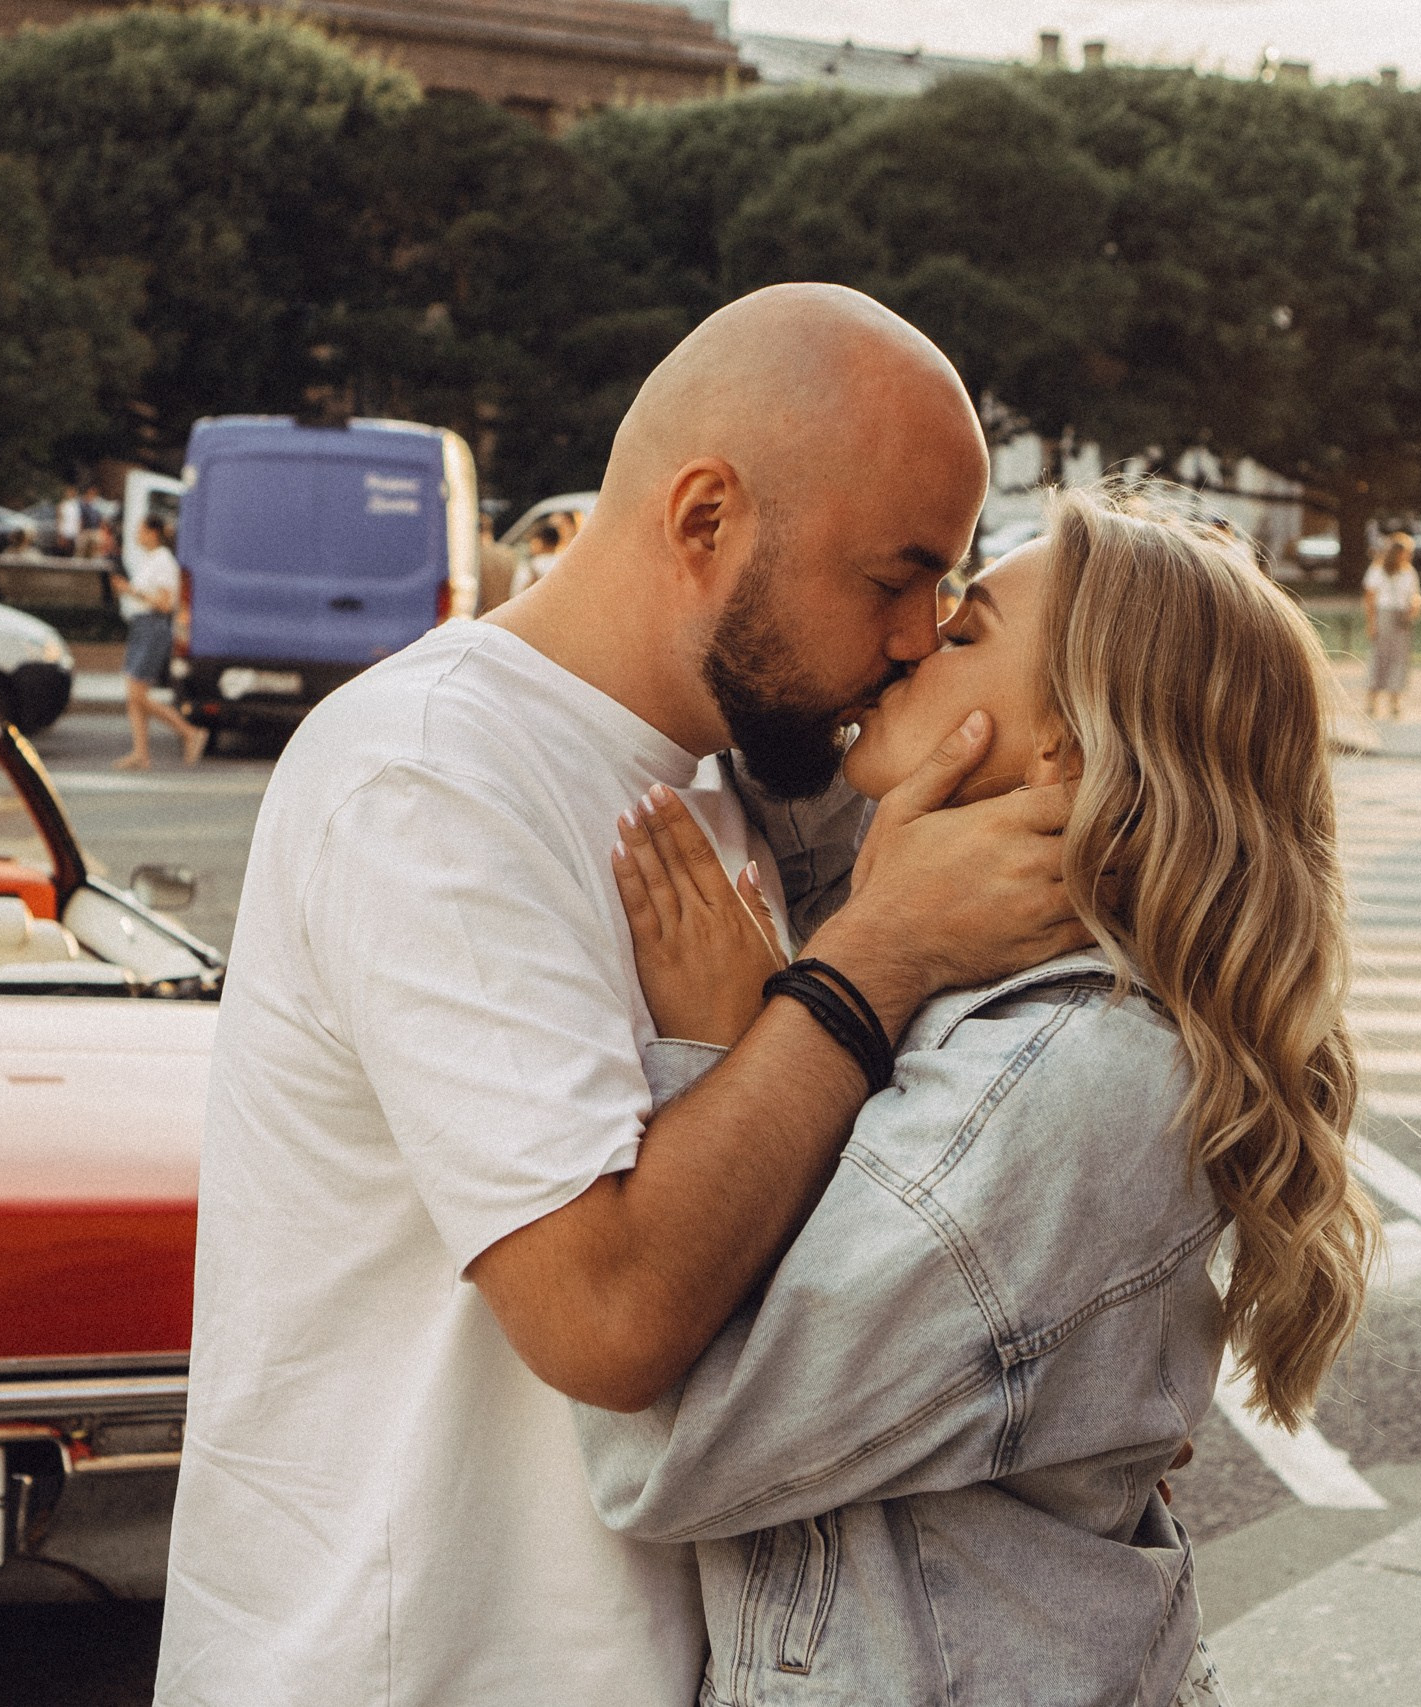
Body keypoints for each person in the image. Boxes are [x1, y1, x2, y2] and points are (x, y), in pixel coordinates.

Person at [157, 284, 1086, 1707]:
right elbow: (605, 1315)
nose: (914, 636)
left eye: (943, 593)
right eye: (893, 575)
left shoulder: (731, 776)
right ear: (705, 517)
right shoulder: (431, 772)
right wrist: (871, 963)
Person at [579, 486, 1375, 1707]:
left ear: (1058, 745)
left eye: (963, 634)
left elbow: (677, 1452)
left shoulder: (1060, 1080)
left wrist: (722, 1047)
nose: (913, 641)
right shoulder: (1009, 1003)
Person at [111, 517, 205, 770]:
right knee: (134, 695)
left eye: (141, 530)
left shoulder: (163, 561)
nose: (136, 534)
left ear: (153, 533)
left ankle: (189, 732)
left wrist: (130, 591)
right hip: (142, 626)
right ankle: (140, 753)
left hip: (154, 627)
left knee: (138, 694)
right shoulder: (151, 560)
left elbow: (165, 604)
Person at [1360, 536, 1421, 719]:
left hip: (1402, 615)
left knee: (1400, 658)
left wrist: (1415, 606)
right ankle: (1372, 698)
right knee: (1380, 656)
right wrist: (1371, 623)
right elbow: (1370, 598)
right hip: (1384, 614)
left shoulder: (1409, 572)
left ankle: (1394, 699)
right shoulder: (1378, 570)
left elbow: (1415, 594)